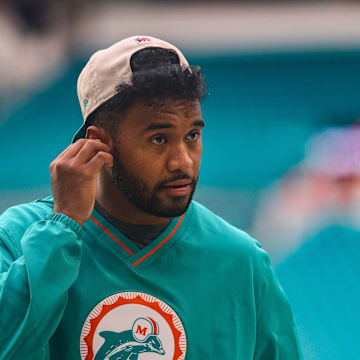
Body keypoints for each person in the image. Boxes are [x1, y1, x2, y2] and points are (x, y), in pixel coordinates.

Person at [0, 35, 302, 359]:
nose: (183, 161)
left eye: (192, 136)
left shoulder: (242, 262)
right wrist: (62, 227)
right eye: (159, 138)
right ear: (100, 142)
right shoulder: (19, 237)